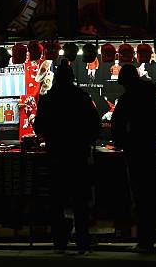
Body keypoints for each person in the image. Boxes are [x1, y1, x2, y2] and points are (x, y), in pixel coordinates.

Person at [34, 60, 100, 254]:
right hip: (78, 155)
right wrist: (85, 141)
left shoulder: (47, 99)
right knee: (80, 201)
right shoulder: (82, 97)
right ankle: (82, 242)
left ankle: (59, 242)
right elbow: (95, 126)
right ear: (72, 78)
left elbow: (38, 127)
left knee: (57, 201)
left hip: (56, 155)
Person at [111, 63, 156, 253]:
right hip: (154, 150)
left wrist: (123, 142)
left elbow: (117, 126)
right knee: (150, 195)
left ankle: (144, 241)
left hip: (136, 152)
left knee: (141, 196)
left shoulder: (127, 98)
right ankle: (148, 240)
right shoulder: (152, 95)